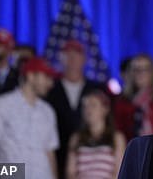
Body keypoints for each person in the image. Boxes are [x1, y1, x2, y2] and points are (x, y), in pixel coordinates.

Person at [0, 57, 59, 179]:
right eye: (46, 77)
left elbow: (49, 152)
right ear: (30, 76)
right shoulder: (1, 105)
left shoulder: (48, 111)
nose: (50, 83)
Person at [46, 39, 108, 179]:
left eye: (77, 54)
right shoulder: (50, 89)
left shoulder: (97, 89)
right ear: (60, 58)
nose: (72, 59)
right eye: (68, 54)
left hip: (90, 156)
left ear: (84, 58)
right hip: (56, 157)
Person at [114, 54, 153, 140]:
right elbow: (119, 132)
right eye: (137, 70)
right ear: (131, 73)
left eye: (145, 69)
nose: (141, 73)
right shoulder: (123, 102)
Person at [66, 89, 126, 179]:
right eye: (85, 106)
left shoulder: (116, 138)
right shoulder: (76, 138)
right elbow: (70, 172)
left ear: (105, 109)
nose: (88, 110)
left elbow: (119, 171)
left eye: (93, 105)